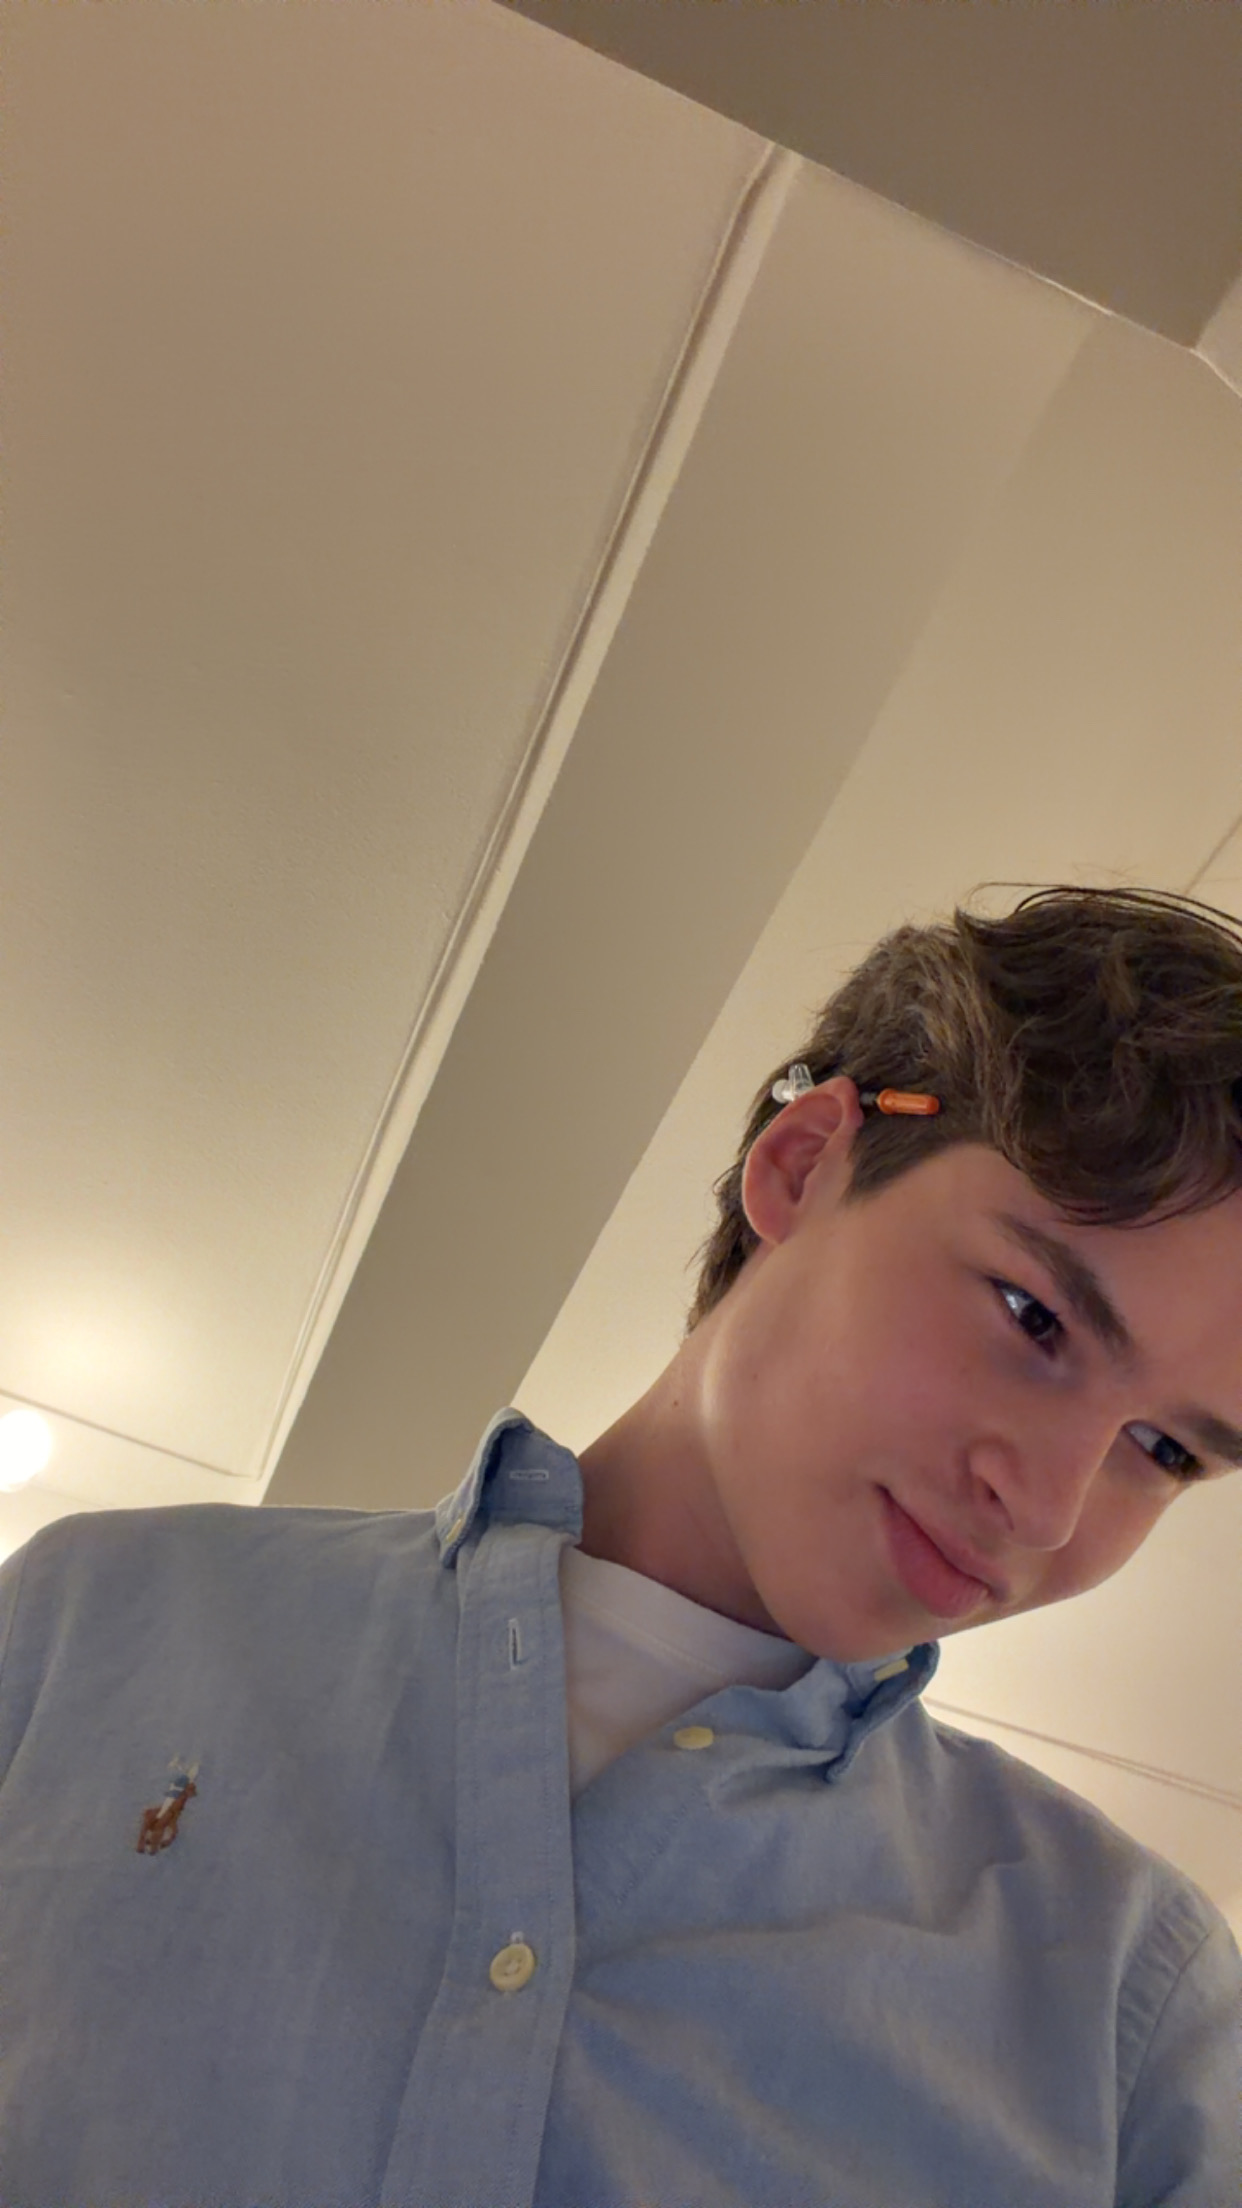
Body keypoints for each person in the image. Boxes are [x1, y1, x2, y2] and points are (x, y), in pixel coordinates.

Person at [1, 885, 1239, 2206]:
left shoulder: (1138, 2013)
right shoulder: (95, 1618)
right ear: (802, 1166)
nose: (1047, 1510)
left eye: (1163, 1451)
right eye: (1032, 1315)